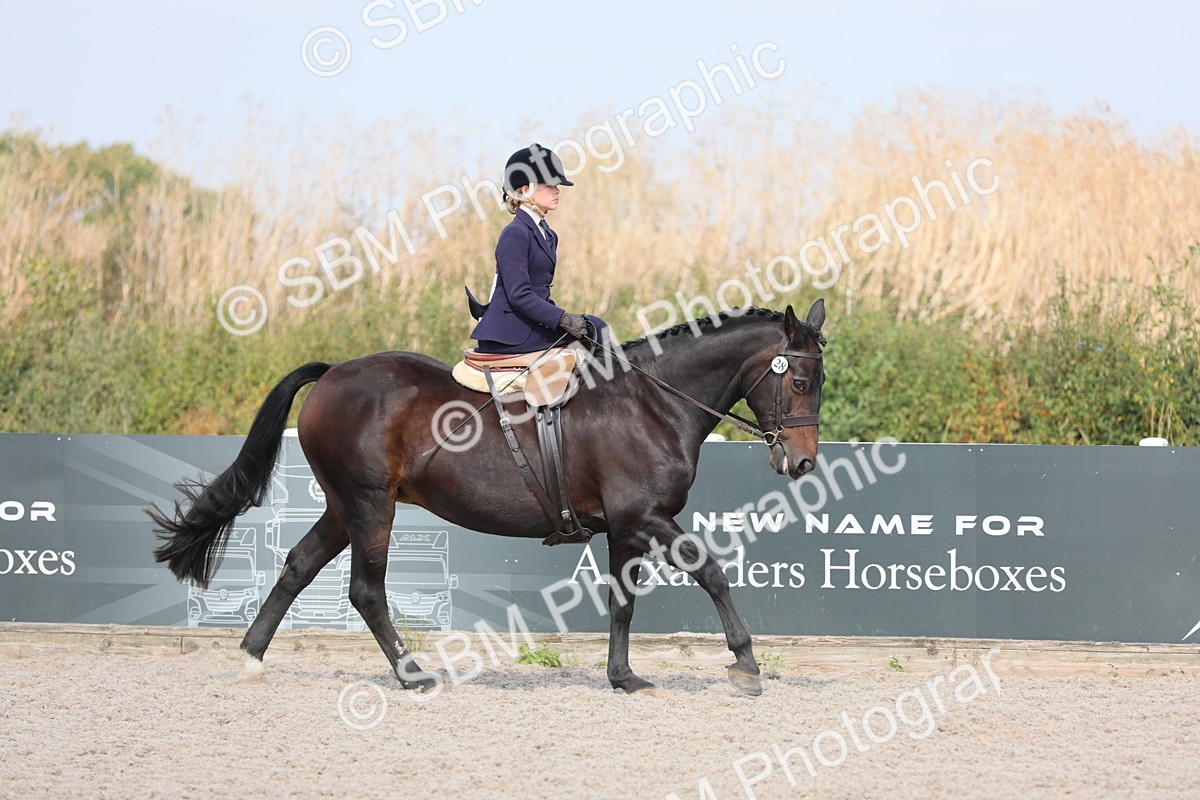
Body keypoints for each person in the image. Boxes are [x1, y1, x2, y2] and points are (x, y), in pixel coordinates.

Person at [468, 143, 609, 354]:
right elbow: (519, 294)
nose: (557, 191)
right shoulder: (515, 233)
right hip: (512, 331)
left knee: (596, 327)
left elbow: (540, 291)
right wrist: (562, 318)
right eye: (550, 185)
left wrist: (563, 318)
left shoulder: (549, 234)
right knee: (597, 329)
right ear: (526, 190)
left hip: (530, 324)